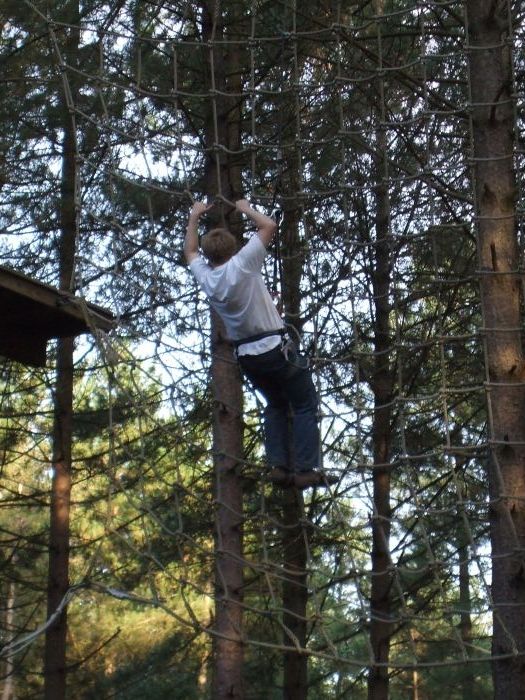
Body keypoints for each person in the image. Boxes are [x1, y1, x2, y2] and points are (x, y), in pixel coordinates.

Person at [184, 198, 335, 488]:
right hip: (274, 350)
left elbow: (190, 251)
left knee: (276, 405)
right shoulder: (243, 263)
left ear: (209, 255)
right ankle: (305, 469)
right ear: (233, 249)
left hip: (248, 357)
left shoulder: (208, 279)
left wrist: (194, 217)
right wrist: (245, 208)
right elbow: (269, 226)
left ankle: (278, 467)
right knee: (304, 405)